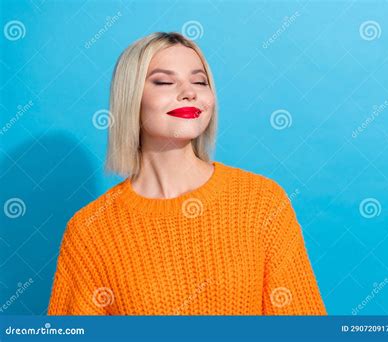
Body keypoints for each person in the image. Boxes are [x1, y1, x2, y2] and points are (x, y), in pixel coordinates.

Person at [47, 32, 327, 315]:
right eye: (165, 82)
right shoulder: (90, 230)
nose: (189, 92)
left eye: (199, 81)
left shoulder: (262, 202)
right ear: (130, 97)